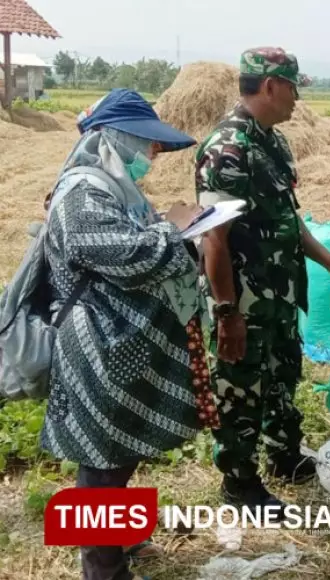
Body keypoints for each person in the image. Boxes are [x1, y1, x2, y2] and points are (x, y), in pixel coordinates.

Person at [195, 47, 330, 512]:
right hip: (245, 298)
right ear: (270, 86)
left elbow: (290, 218)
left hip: (279, 292)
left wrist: (328, 259)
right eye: (293, 87)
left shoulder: (273, 142)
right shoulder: (228, 149)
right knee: (241, 384)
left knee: (281, 375)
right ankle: (239, 480)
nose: (297, 98)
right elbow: (214, 239)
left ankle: (283, 455)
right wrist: (227, 312)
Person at [40, 88, 203, 580]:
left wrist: (169, 227)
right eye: (146, 144)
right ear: (114, 139)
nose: (152, 155)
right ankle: (103, 568)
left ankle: (121, 540)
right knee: (103, 465)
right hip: (98, 351)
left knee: (120, 454)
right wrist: (179, 233)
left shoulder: (113, 188)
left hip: (122, 350)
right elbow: (131, 255)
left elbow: (140, 237)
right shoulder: (82, 193)